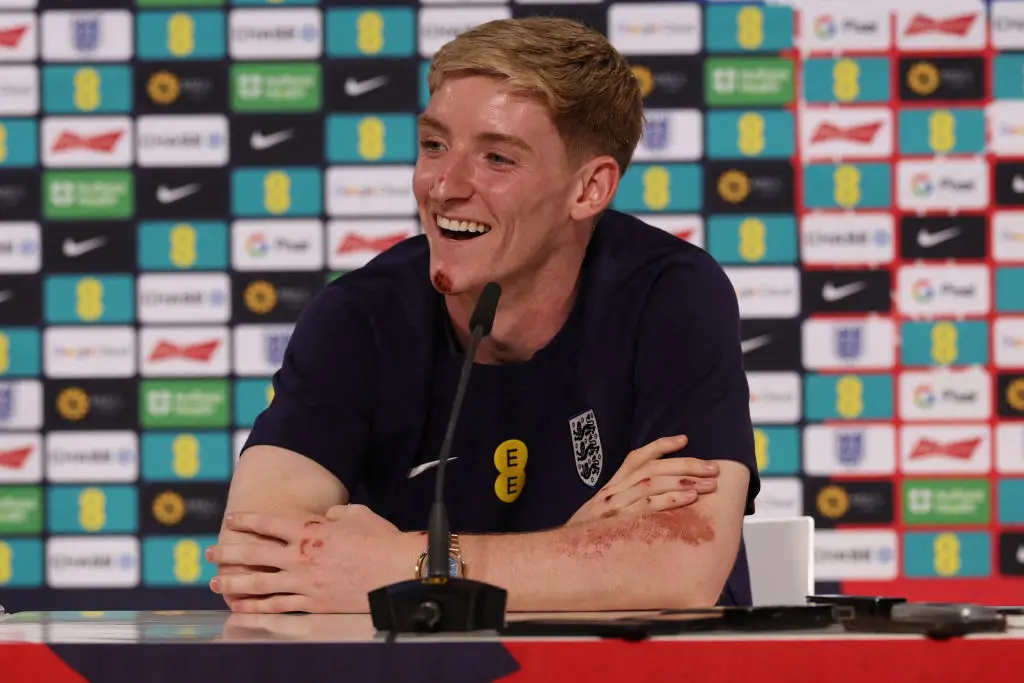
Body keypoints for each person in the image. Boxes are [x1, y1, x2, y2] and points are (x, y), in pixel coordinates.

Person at [206, 16, 760, 614]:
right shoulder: (357, 317)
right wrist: (584, 550)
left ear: (590, 189)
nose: (444, 186)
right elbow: (254, 563)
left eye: (497, 158)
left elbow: (680, 567)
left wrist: (408, 566)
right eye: (434, 145)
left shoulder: (670, 294)